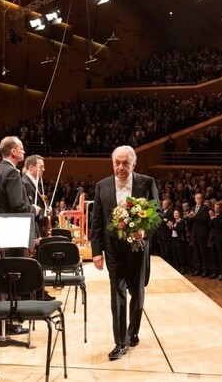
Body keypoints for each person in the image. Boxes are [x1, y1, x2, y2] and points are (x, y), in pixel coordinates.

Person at [90, 145, 159, 361]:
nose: (120, 167)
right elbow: (97, 221)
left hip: (137, 248)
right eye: (116, 163)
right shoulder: (102, 186)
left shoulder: (146, 183)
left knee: (137, 292)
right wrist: (96, 251)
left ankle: (133, 331)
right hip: (113, 248)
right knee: (117, 292)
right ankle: (120, 342)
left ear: (133, 164)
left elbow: (157, 216)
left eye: (124, 163)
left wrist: (143, 232)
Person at [0, 136, 40, 257]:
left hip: (2, 230)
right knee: (18, 268)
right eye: (21, 149)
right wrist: (33, 209)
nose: (24, 151)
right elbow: (17, 204)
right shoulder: (12, 172)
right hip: (13, 231)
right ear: (13, 151)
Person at [188, 193, 211, 277]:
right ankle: (198, 269)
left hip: (201, 233)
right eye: (197, 198)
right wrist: (189, 217)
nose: (199, 200)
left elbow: (205, 220)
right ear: (195, 199)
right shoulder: (193, 208)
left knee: (203, 252)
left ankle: (205, 270)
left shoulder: (205, 208)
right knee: (196, 252)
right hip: (194, 233)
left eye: (200, 198)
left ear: (202, 199)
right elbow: (191, 221)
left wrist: (195, 216)